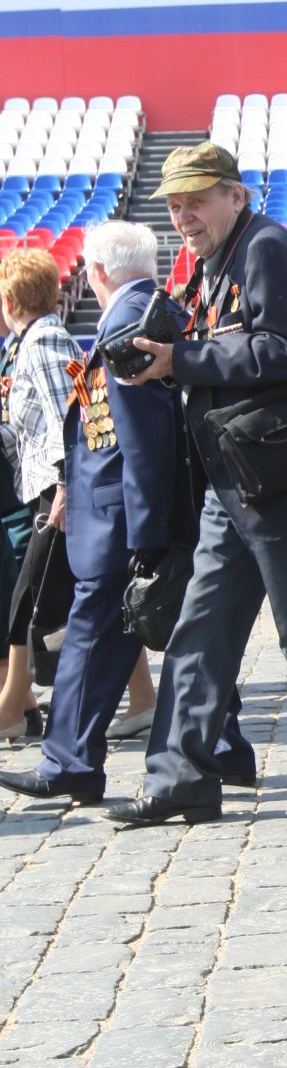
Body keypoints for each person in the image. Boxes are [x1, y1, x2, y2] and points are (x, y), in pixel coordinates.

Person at [102, 142, 287, 828]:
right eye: (174, 205)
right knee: (198, 631)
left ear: (235, 194)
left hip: (277, 480)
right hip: (233, 483)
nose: (184, 215)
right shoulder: (215, 261)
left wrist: (186, 357)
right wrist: (171, 360)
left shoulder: (263, 248)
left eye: (197, 200)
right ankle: (181, 777)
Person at [0, 226, 190, 805]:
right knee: (190, 634)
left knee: (90, 638)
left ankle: (69, 764)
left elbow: (138, 438)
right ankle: (220, 744)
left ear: (97, 272)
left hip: (120, 519)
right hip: (125, 512)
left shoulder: (128, 321)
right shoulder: (152, 309)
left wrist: (145, 532)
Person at [0, 248, 78, 742]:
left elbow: (65, 418)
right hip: (42, 488)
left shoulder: (45, 339)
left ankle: (12, 706)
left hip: (55, 492)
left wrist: (67, 488)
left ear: (11, 298)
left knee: (32, 600)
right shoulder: (31, 340)